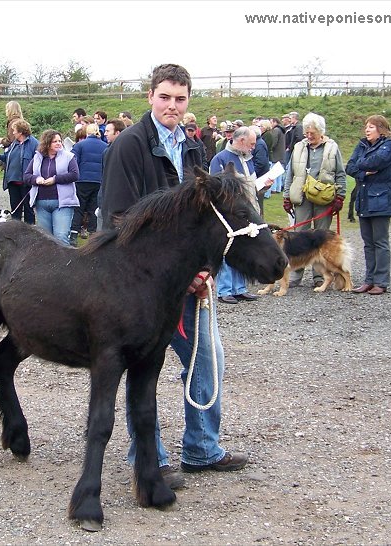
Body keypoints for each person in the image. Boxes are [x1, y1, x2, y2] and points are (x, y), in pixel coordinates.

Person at [102, 63, 248, 485]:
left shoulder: (192, 146)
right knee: (143, 366)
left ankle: (203, 448)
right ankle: (148, 456)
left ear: (188, 101)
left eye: (180, 98)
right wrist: (169, 272)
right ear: (150, 96)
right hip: (142, 286)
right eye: (164, 96)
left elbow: (205, 219)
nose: (172, 105)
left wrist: (203, 269)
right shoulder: (128, 146)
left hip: (191, 283)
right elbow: (118, 220)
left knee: (207, 360)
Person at [282, 112, 347, 288]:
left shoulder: (332, 148)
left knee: (321, 236)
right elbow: (290, 174)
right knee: (298, 236)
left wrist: (340, 196)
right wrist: (287, 196)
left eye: (313, 133)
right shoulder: (299, 147)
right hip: (302, 197)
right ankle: (296, 275)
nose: (309, 136)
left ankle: (320, 276)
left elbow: (340, 173)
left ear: (321, 132)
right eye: (307, 132)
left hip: (323, 197)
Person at [210, 125, 264, 304]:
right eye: (251, 143)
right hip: (230, 215)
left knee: (244, 249)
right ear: (240, 140)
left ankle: (240, 288)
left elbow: (253, 184)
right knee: (227, 251)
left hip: (248, 211)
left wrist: (265, 185)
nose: (253, 147)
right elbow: (216, 188)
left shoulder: (247, 159)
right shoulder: (221, 159)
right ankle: (225, 290)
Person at [346, 115, 391, 295]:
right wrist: (364, 173)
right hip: (364, 199)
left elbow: (375, 162)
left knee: (380, 241)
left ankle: (381, 281)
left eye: (371, 127)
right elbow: (350, 167)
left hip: (382, 199)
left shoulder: (389, 146)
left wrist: (362, 166)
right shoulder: (362, 145)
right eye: (366, 127)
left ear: (381, 128)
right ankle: (369, 280)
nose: (367, 130)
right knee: (368, 242)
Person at [23, 130, 79, 246]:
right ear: (47, 143)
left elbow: (75, 175)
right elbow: (26, 176)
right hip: (41, 203)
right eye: (55, 141)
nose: (58, 143)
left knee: (61, 237)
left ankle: (64, 263)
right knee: (46, 239)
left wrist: (55, 179)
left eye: (59, 141)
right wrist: (36, 179)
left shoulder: (69, 157)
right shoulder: (37, 158)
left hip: (62, 203)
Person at [0, 118, 38, 224]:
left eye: (14, 130)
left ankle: (30, 232)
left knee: (29, 210)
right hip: (13, 183)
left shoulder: (34, 144)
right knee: (15, 210)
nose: (13, 132)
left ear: (20, 132)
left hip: (26, 184)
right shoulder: (14, 144)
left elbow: (38, 163)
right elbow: (7, 157)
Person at [69, 123, 107, 244]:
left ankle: (74, 234)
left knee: (78, 208)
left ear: (86, 132)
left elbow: (73, 163)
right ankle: (93, 235)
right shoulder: (105, 146)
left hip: (82, 180)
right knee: (94, 209)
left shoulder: (79, 145)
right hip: (98, 180)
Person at [249, 125, 270, 217]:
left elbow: (261, 162)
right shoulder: (258, 143)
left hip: (259, 179)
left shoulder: (259, 144)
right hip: (258, 178)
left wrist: (251, 174)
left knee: (258, 204)